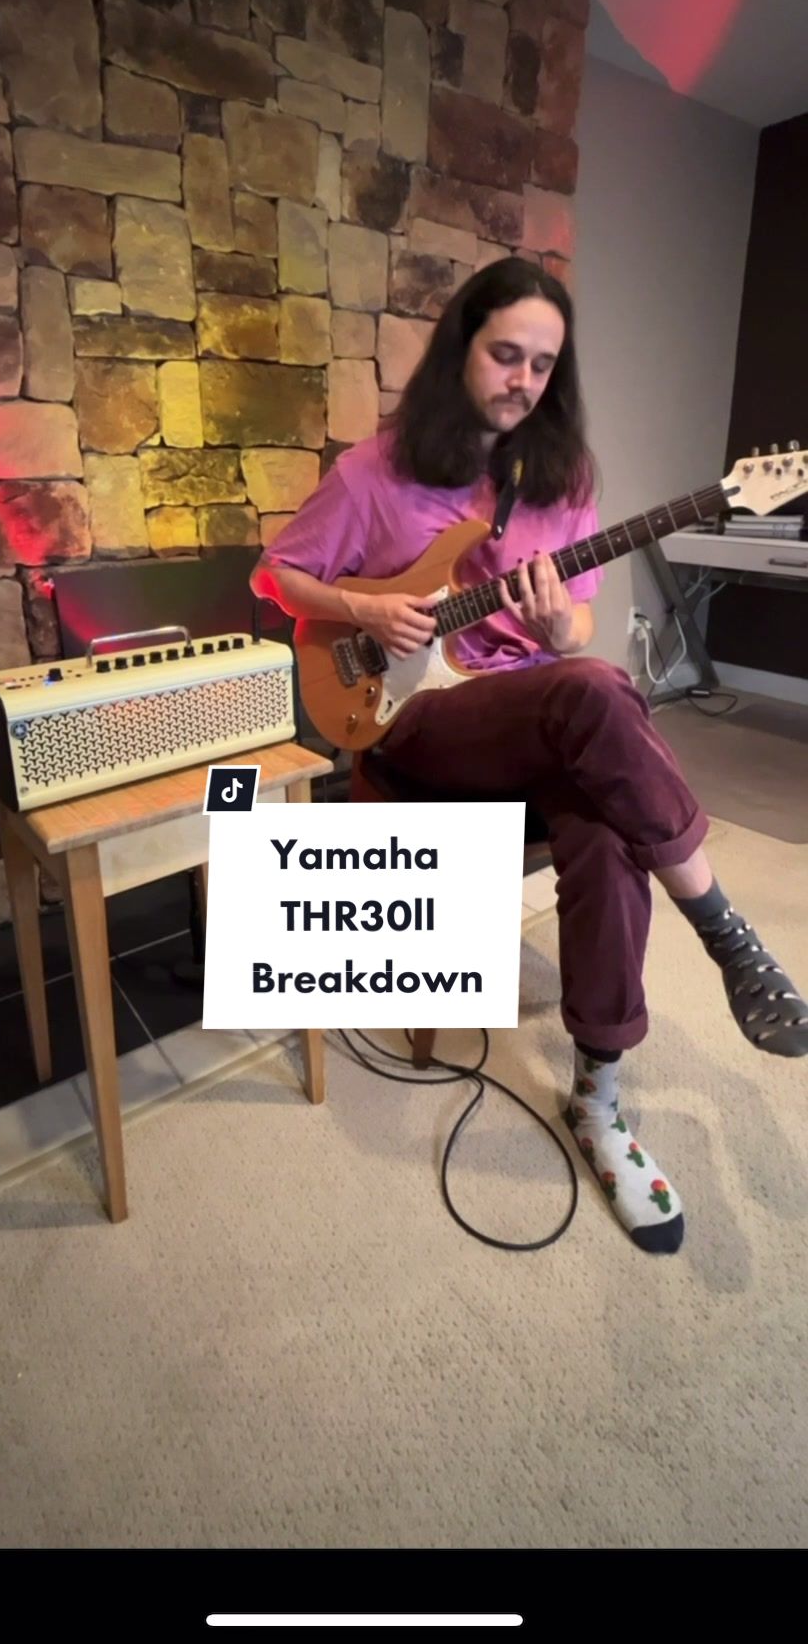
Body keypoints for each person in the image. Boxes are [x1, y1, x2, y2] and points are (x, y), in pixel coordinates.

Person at [251, 256, 806, 1255]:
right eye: (506, 354)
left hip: (532, 713)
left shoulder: (564, 478)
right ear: (461, 346)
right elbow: (275, 575)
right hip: (416, 720)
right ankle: (725, 930)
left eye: (544, 365)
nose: (523, 380)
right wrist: (364, 608)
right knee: (597, 691)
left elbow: (578, 626)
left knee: (603, 821)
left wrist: (557, 627)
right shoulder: (375, 473)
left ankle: (599, 1096)